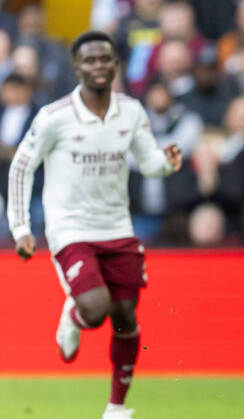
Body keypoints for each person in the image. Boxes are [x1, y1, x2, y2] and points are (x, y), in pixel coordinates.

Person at [6, 31, 182, 419]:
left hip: (117, 227)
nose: (98, 66)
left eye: (105, 59)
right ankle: (73, 314)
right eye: (90, 60)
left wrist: (167, 162)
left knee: (125, 317)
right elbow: (21, 166)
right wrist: (20, 227)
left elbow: (148, 162)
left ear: (115, 64)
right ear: (76, 67)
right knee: (96, 307)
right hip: (70, 229)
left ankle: (116, 408)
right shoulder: (54, 117)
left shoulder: (131, 111)